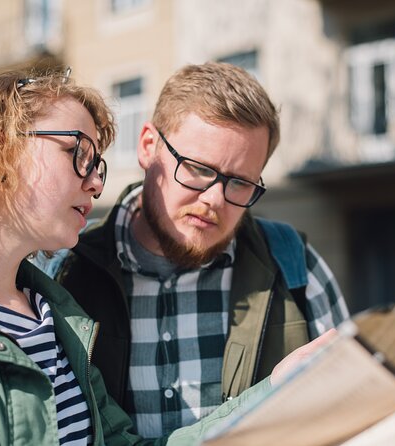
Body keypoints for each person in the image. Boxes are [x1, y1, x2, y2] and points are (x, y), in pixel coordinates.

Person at [0, 69, 334, 445]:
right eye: (77, 155)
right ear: (2, 146)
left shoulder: (56, 315)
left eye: (97, 165)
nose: (94, 184)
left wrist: (274, 388)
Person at [53, 62, 350, 438]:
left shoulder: (294, 264)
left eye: (240, 183)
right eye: (196, 168)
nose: (214, 200)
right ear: (148, 146)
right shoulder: (66, 269)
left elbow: (352, 413)